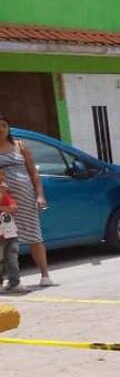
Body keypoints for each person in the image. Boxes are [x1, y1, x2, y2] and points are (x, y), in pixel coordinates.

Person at [0, 114, 51, 287]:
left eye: (4, 125)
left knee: (34, 237)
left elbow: (34, 173)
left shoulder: (20, 146)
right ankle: (11, 279)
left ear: (8, 128)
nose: (1, 129)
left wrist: (40, 195)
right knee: (6, 241)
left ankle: (45, 275)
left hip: (26, 199)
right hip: (4, 204)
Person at [0, 167, 24, 293]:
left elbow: (14, 208)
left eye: (3, 175)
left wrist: (3, 206)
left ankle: (14, 282)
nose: (2, 178)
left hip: (10, 231)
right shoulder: (4, 193)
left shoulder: (6, 194)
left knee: (12, 256)